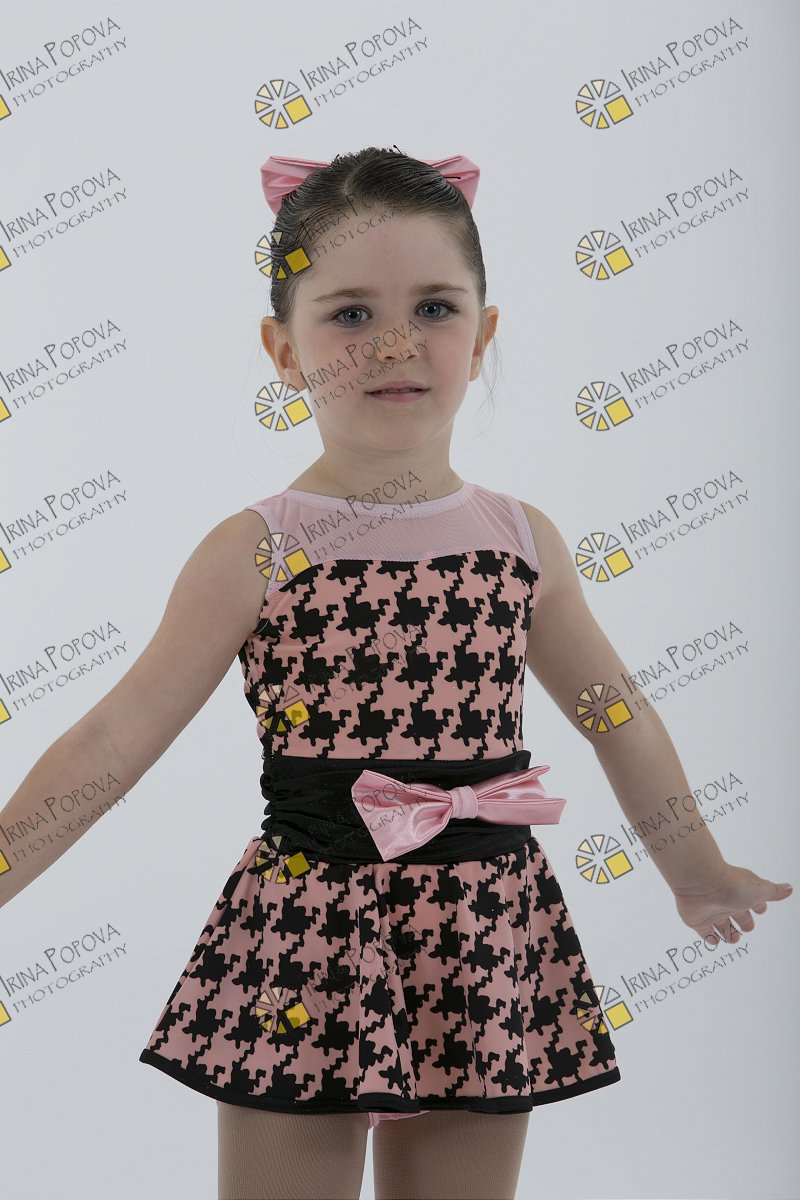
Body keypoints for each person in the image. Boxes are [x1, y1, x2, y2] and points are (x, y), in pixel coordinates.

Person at [1, 146, 791, 1200]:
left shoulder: (522, 541)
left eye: (433, 308)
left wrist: (693, 870)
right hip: (306, 924)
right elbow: (115, 738)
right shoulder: (256, 550)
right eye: (348, 315)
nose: (393, 344)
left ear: (484, 333)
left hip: (482, 926)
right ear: (284, 350)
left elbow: (617, 716)